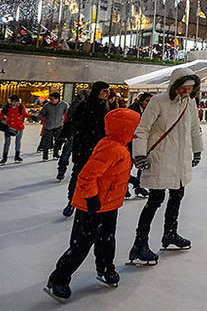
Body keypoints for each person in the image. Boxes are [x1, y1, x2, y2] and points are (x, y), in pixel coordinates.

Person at [44, 109, 141, 303]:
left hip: (109, 204)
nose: (138, 131)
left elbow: (112, 173)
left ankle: (105, 268)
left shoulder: (118, 146)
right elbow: (86, 176)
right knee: (82, 244)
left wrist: (130, 180)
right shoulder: (111, 148)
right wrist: (91, 199)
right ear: (125, 128)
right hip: (94, 205)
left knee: (107, 239)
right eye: (135, 128)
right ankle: (59, 279)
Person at [129, 67, 203, 265]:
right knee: (155, 199)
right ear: (175, 85)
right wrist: (139, 154)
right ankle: (139, 243)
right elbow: (142, 130)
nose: (186, 92)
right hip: (161, 157)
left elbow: (195, 128)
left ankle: (170, 233)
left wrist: (197, 150)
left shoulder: (190, 102)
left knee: (177, 194)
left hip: (180, 159)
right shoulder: (158, 101)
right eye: (183, 88)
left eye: (190, 88)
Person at [63, 82, 111, 217]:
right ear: (97, 91)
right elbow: (73, 122)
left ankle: (89, 202)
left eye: (108, 91)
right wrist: (66, 136)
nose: (107, 94)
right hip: (84, 146)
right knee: (79, 175)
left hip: (98, 148)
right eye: (105, 91)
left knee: (95, 177)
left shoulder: (105, 107)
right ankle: (72, 201)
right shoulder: (85, 106)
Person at [57, 87, 90, 181]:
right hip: (77, 132)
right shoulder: (83, 103)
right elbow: (71, 117)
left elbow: (70, 117)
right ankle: (67, 171)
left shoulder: (77, 102)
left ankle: (62, 170)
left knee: (68, 152)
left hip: (76, 131)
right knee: (72, 153)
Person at [125, 93, 153, 198]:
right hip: (131, 141)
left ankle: (139, 186)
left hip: (143, 141)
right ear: (141, 101)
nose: (148, 103)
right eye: (147, 101)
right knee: (128, 165)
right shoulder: (132, 110)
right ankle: (125, 187)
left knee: (141, 165)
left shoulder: (150, 111)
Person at [35, 92, 69, 161]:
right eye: (50, 99)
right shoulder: (47, 105)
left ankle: (55, 154)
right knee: (46, 142)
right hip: (48, 126)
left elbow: (68, 113)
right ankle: (45, 156)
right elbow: (42, 113)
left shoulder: (64, 105)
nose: (50, 100)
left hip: (58, 125)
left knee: (57, 141)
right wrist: (37, 118)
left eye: (52, 99)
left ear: (57, 99)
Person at [0, 95, 32, 164]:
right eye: (13, 102)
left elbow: (25, 114)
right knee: (7, 143)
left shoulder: (21, 108)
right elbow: (0, 116)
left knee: (18, 142)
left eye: (16, 102)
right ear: (10, 102)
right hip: (9, 127)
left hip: (19, 127)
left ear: (19, 102)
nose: (14, 103)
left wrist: (32, 116)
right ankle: (4, 157)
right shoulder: (6, 108)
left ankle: (17, 156)